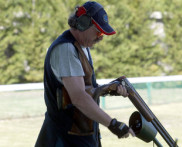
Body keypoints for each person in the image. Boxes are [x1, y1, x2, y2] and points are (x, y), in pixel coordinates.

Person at [35, 1, 135, 147]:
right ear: (83, 23)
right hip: (64, 139)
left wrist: (108, 89)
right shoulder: (67, 49)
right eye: (99, 32)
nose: (101, 37)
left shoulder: (81, 47)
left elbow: (86, 90)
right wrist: (113, 124)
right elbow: (79, 98)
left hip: (79, 136)